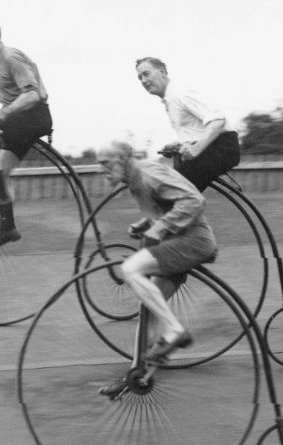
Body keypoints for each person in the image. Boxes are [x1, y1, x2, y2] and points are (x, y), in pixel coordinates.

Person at [96, 141, 218, 395]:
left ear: (123, 159)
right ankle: (136, 376)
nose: (102, 170)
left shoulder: (148, 173)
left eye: (106, 163)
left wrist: (159, 228)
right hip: (177, 240)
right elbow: (167, 204)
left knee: (130, 269)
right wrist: (146, 223)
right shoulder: (136, 180)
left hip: (192, 241)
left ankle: (175, 331)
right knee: (149, 306)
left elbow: (194, 200)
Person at [0, 16, 53, 249]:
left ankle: (0, 199)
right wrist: (1, 114)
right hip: (22, 120)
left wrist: (5, 114)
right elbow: (25, 85)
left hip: (32, 117)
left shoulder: (9, 56)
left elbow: (32, 95)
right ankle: (8, 228)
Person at [135, 57, 240, 191]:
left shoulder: (180, 93)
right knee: (172, 196)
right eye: (140, 78)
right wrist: (180, 145)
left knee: (172, 192)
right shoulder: (170, 99)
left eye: (146, 74)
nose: (143, 80)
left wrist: (197, 148)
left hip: (221, 148)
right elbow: (196, 130)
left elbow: (218, 121)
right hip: (209, 149)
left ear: (162, 71)